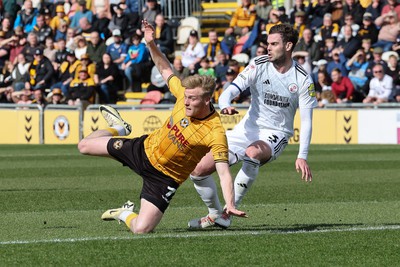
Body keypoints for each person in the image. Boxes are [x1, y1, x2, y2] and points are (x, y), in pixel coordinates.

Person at [77, 20, 246, 234]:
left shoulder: (215, 131)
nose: (185, 102)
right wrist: (150, 44)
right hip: (143, 150)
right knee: (83, 146)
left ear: (206, 100)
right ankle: (120, 128)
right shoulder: (182, 94)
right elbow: (164, 67)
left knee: (141, 229)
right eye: (185, 97)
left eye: (192, 99)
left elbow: (223, 173)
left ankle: (123, 213)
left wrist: (229, 203)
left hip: (164, 178)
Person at [188, 23, 317, 229]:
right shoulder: (259, 64)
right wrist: (225, 104)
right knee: (198, 170)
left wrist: (302, 155)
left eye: (274, 44)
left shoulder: (302, 79)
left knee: (252, 153)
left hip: (276, 133)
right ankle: (214, 214)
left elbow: (307, 119)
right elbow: (231, 90)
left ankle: (228, 213)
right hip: (245, 129)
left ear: (288, 46)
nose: (268, 47)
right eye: (268, 43)